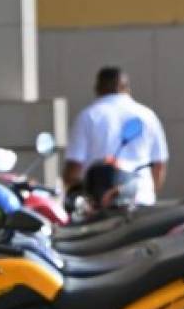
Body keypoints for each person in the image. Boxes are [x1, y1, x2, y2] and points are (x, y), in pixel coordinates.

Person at [63, 66, 169, 207]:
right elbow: (159, 165)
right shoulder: (148, 115)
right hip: (141, 201)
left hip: (101, 204)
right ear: (126, 88)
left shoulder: (88, 116)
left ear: (97, 89)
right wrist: (148, 191)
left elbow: (73, 168)